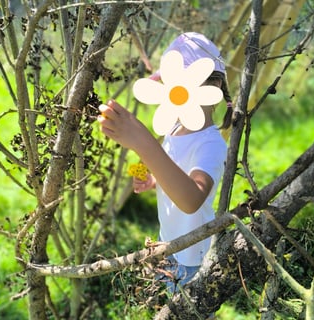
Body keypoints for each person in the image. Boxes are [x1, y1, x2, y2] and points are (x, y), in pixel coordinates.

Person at [98, 32, 233, 293]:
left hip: (193, 256)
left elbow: (191, 199)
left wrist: (143, 142)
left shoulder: (211, 145)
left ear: (212, 88)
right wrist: (153, 180)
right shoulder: (174, 126)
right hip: (168, 242)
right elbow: (175, 169)